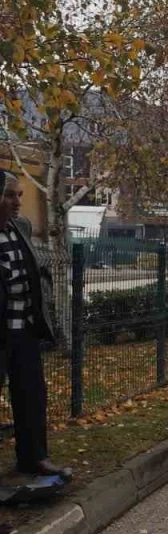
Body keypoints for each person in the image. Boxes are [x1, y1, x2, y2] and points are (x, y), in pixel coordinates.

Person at [0, 170, 71, 487]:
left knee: (31, 396)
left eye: (19, 195)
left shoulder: (21, 228)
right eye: (10, 195)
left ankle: (34, 458)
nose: (17, 201)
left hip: (24, 333)